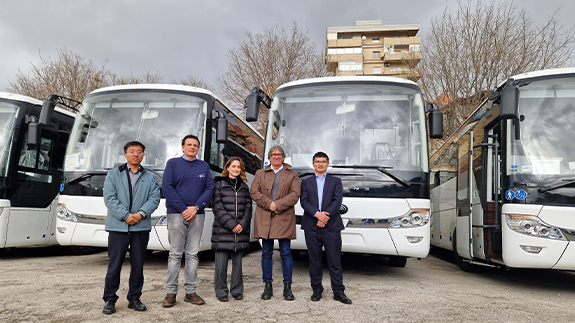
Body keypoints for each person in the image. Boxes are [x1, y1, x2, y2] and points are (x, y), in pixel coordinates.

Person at [102, 141, 161, 315]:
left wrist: (141, 214)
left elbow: (154, 198)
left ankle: (134, 298)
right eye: (132, 151)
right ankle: (110, 300)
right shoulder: (114, 174)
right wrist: (126, 215)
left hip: (140, 228)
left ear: (143, 156)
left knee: (138, 266)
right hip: (118, 227)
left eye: (139, 152)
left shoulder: (150, 176)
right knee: (114, 266)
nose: (136, 154)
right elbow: (109, 198)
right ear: (125, 154)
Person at [161, 134, 214, 308]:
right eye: (189, 144)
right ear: (183, 147)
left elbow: (209, 188)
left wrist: (196, 207)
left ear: (198, 149)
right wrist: (184, 209)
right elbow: (167, 187)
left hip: (197, 215)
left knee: (192, 254)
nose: (192, 147)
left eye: (195, 145)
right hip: (176, 214)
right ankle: (171, 293)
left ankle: (191, 292)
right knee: (175, 254)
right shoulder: (173, 164)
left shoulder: (204, 166)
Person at [300, 151, 351, 304]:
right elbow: (304, 202)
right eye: (317, 161)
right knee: (314, 261)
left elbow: (337, 201)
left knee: (334, 261)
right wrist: (317, 214)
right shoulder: (306, 182)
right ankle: (316, 291)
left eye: (323, 161)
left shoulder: (335, 181)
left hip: (332, 227)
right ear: (313, 164)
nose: (320, 164)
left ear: (327, 164)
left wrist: (325, 216)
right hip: (311, 226)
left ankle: (338, 292)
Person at [250, 145, 301, 301]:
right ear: (269, 157)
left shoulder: (292, 174)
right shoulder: (260, 173)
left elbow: (295, 194)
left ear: (283, 157)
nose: (276, 156)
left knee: (285, 252)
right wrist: (269, 204)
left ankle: (287, 286)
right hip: (265, 216)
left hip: (284, 217)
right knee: (266, 252)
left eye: (279, 154)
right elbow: (254, 192)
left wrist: (277, 205)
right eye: (273, 154)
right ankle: (268, 285)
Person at [211, 157, 252, 302]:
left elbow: (248, 208)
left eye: (239, 167)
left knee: (238, 265)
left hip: (240, 232)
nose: (236, 169)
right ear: (227, 168)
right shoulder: (219, 185)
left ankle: (237, 290)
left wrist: (242, 224)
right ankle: (221, 291)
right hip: (223, 232)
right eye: (233, 166)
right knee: (221, 266)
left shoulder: (244, 187)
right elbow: (218, 207)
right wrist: (232, 225)